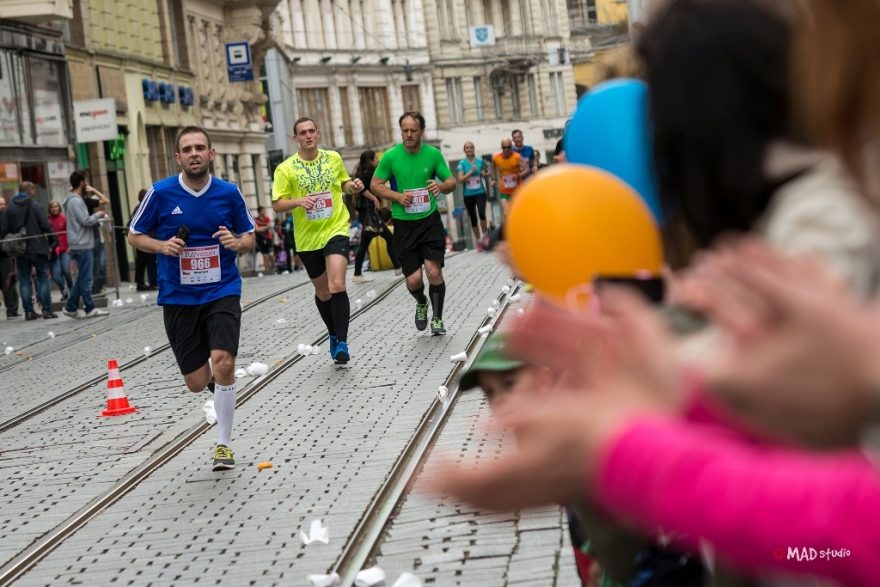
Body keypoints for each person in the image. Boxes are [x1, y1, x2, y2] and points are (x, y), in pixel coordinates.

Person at [129, 126, 255, 471]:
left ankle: (224, 445)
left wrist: (237, 242)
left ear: (211, 154)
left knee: (224, 360)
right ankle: (218, 387)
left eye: (201, 147)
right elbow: (134, 235)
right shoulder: (160, 193)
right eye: (188, 148)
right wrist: (162, 246)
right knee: (197, 382)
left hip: (222, 290)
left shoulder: (228, 193)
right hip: (179, 296)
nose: (195, 153)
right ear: (178, 157)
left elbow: (249, 237)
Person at [272, 117, 364, 364]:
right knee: (323, 292)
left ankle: (342, 342)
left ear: (318, 134)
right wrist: (299, 201)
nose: (308, 136)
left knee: (337, 284)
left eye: (312, 131)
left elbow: (343, 183)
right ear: (296, 139)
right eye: (303, 133)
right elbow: (277, 203)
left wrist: (352, 186)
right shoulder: (286, 169)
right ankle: (333, 333)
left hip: (335, 227)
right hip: (307, 237)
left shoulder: (333, 158)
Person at [370, 111, 456, 336]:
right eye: (405, 130)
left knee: (433, 270)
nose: (408, 135)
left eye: (413, 131)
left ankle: (437, 318)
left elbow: (451, 181)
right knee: (414, 279)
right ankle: (421, 302)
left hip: (429, 222)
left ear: (421, 132)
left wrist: (441, 187)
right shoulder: (391, 156)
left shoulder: (433, 154)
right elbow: (375, 184)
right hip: (404, 224)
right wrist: (397, 197)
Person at [5, 182, 57, 320]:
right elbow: (46, 225)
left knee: (24, 280)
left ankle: (28, 312)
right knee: (43, 278)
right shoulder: (37, 206)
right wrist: (53, 241)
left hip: (21, 249)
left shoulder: (10, 208)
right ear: (31, 191)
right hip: (38, 247)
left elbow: (6, 228)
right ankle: (47, 310)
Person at [63, 171, 109, 319]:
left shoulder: (73, 200)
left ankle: (70, 307)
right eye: (86, 180)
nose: (87, 183)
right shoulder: (76, 201)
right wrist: (98, 215)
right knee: (86, 278)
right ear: (82, 182)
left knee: (82, 277)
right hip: (82, 244)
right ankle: (90, 308)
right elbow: (85, 221)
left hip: (80, 243)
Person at [351, 149, 400, 282]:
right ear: (371, 160)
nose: (378, 161)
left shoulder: (363, 171)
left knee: (365, 243)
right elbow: (362, 189)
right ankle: (398, 267)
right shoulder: (368, 172)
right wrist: (374, 198)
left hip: (367, 212)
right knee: (388, 237)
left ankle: (357, 274)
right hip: (368, 212)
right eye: (376, 159)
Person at [456, 142, 490, 242]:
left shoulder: (480, 161)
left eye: (471, 147)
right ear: (464, 150)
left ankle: (485, 236)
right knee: (473, 218)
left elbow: (487, 172)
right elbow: (460, 179)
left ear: (474, 149)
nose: (469, 149)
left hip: (480, 192)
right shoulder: (462, 164)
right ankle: (479, 240)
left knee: (482, 213)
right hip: (468, 194)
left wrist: (485, 174)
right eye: (467, 148)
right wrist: (471, 172)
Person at [128, 189, 158, 291]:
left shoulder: (137, 208)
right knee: (150, 262)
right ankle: (152, 283)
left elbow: (131, 222)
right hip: (147, 239)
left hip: (139, 239)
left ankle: (140, 283)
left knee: (141, 263)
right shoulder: (146, 208)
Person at [83, 183, 109, 295]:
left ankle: (96, 288)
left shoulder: (75, 201)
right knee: (95, 265)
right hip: (91, 237)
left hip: (92, 238)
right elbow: (105, 200)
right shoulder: (84, 201)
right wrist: (94, 189)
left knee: (97, 265)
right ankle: (94, 289)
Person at [47, 200, 73, 300]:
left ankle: (72, 289)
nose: (54, 209)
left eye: (56, 206)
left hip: (65, 249)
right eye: (52, 207)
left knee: (66, 270)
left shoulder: (64, 218)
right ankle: (63, 290)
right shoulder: (47, 220)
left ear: (59, 208)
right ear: (49, 209)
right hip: (53, 250)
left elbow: (71, 231)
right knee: (55, 275)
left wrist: (71, 245)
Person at [492, 139, 523, 219]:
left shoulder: (517, 157)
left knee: (517, 212)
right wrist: (494, 179)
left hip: (517, 189)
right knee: (506, 213)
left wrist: (518, 175)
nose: (506, 149)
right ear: (501, 147)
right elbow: (493, 168)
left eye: (508, 147)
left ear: (511, 147)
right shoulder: (496, 158)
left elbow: (526, 168)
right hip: (504, 189)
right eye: (504, 147)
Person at [0, 195, 20, 318]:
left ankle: (12, 309)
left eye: (3, 204)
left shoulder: (7, 216)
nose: (2, 207)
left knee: (8, 282)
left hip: (5, 254)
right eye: (0, 204)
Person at [254, 205, 274, 274]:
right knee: (265, 255)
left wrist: (262, 228)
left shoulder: (267, 218)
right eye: (263, 210)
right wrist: (266, 227)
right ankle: (267, 271)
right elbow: (257, 229)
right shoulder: (256, 220)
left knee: (271, 255)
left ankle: (273, 268)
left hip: (268, 238)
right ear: (259, 211)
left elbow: (270, 226)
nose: (264, 211)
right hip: (261, 239)